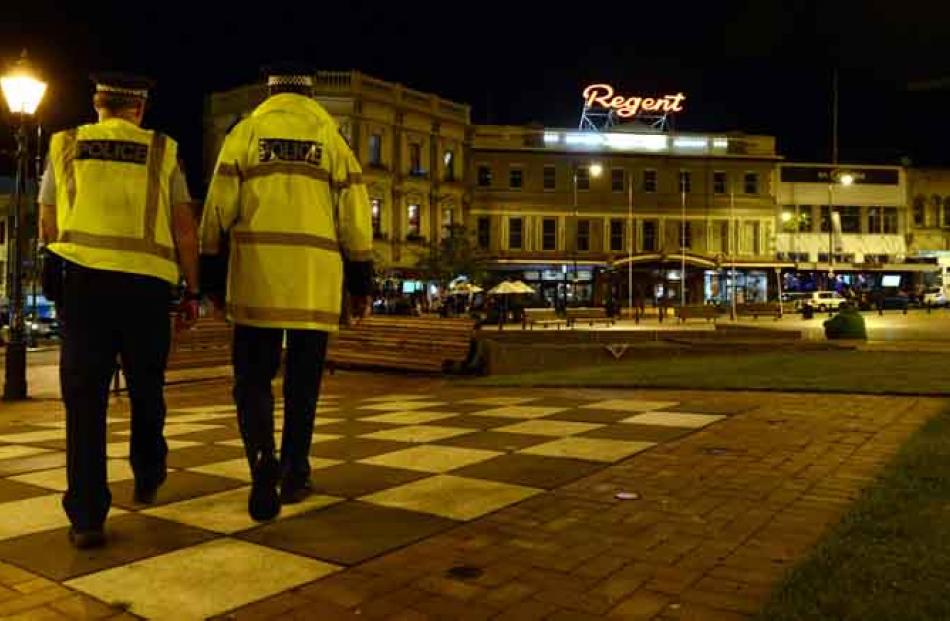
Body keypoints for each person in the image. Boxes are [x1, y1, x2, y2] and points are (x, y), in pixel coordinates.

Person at [200, 66, 373, 522]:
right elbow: (355, 215)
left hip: (256, 279)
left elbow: (218, 209)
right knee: (303, 386)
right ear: (310, 92)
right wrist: (360, 283)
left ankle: (262, 460)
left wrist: (213, 279)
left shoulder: (247, 131)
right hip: (314, 285)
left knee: (252, 381)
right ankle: (295, 471)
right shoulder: (333, 141)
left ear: (271, 90)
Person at [39, 73, 200, 549]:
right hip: (146, 289)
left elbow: (48, 221)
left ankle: (87, 517)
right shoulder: (162, 151)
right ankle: (148, 472)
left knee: (84, 402)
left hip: (83, 284)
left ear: (97, 104)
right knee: (147, 387)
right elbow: (184, 228)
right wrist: (192, 289)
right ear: (140, 110)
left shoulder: (64, 145)